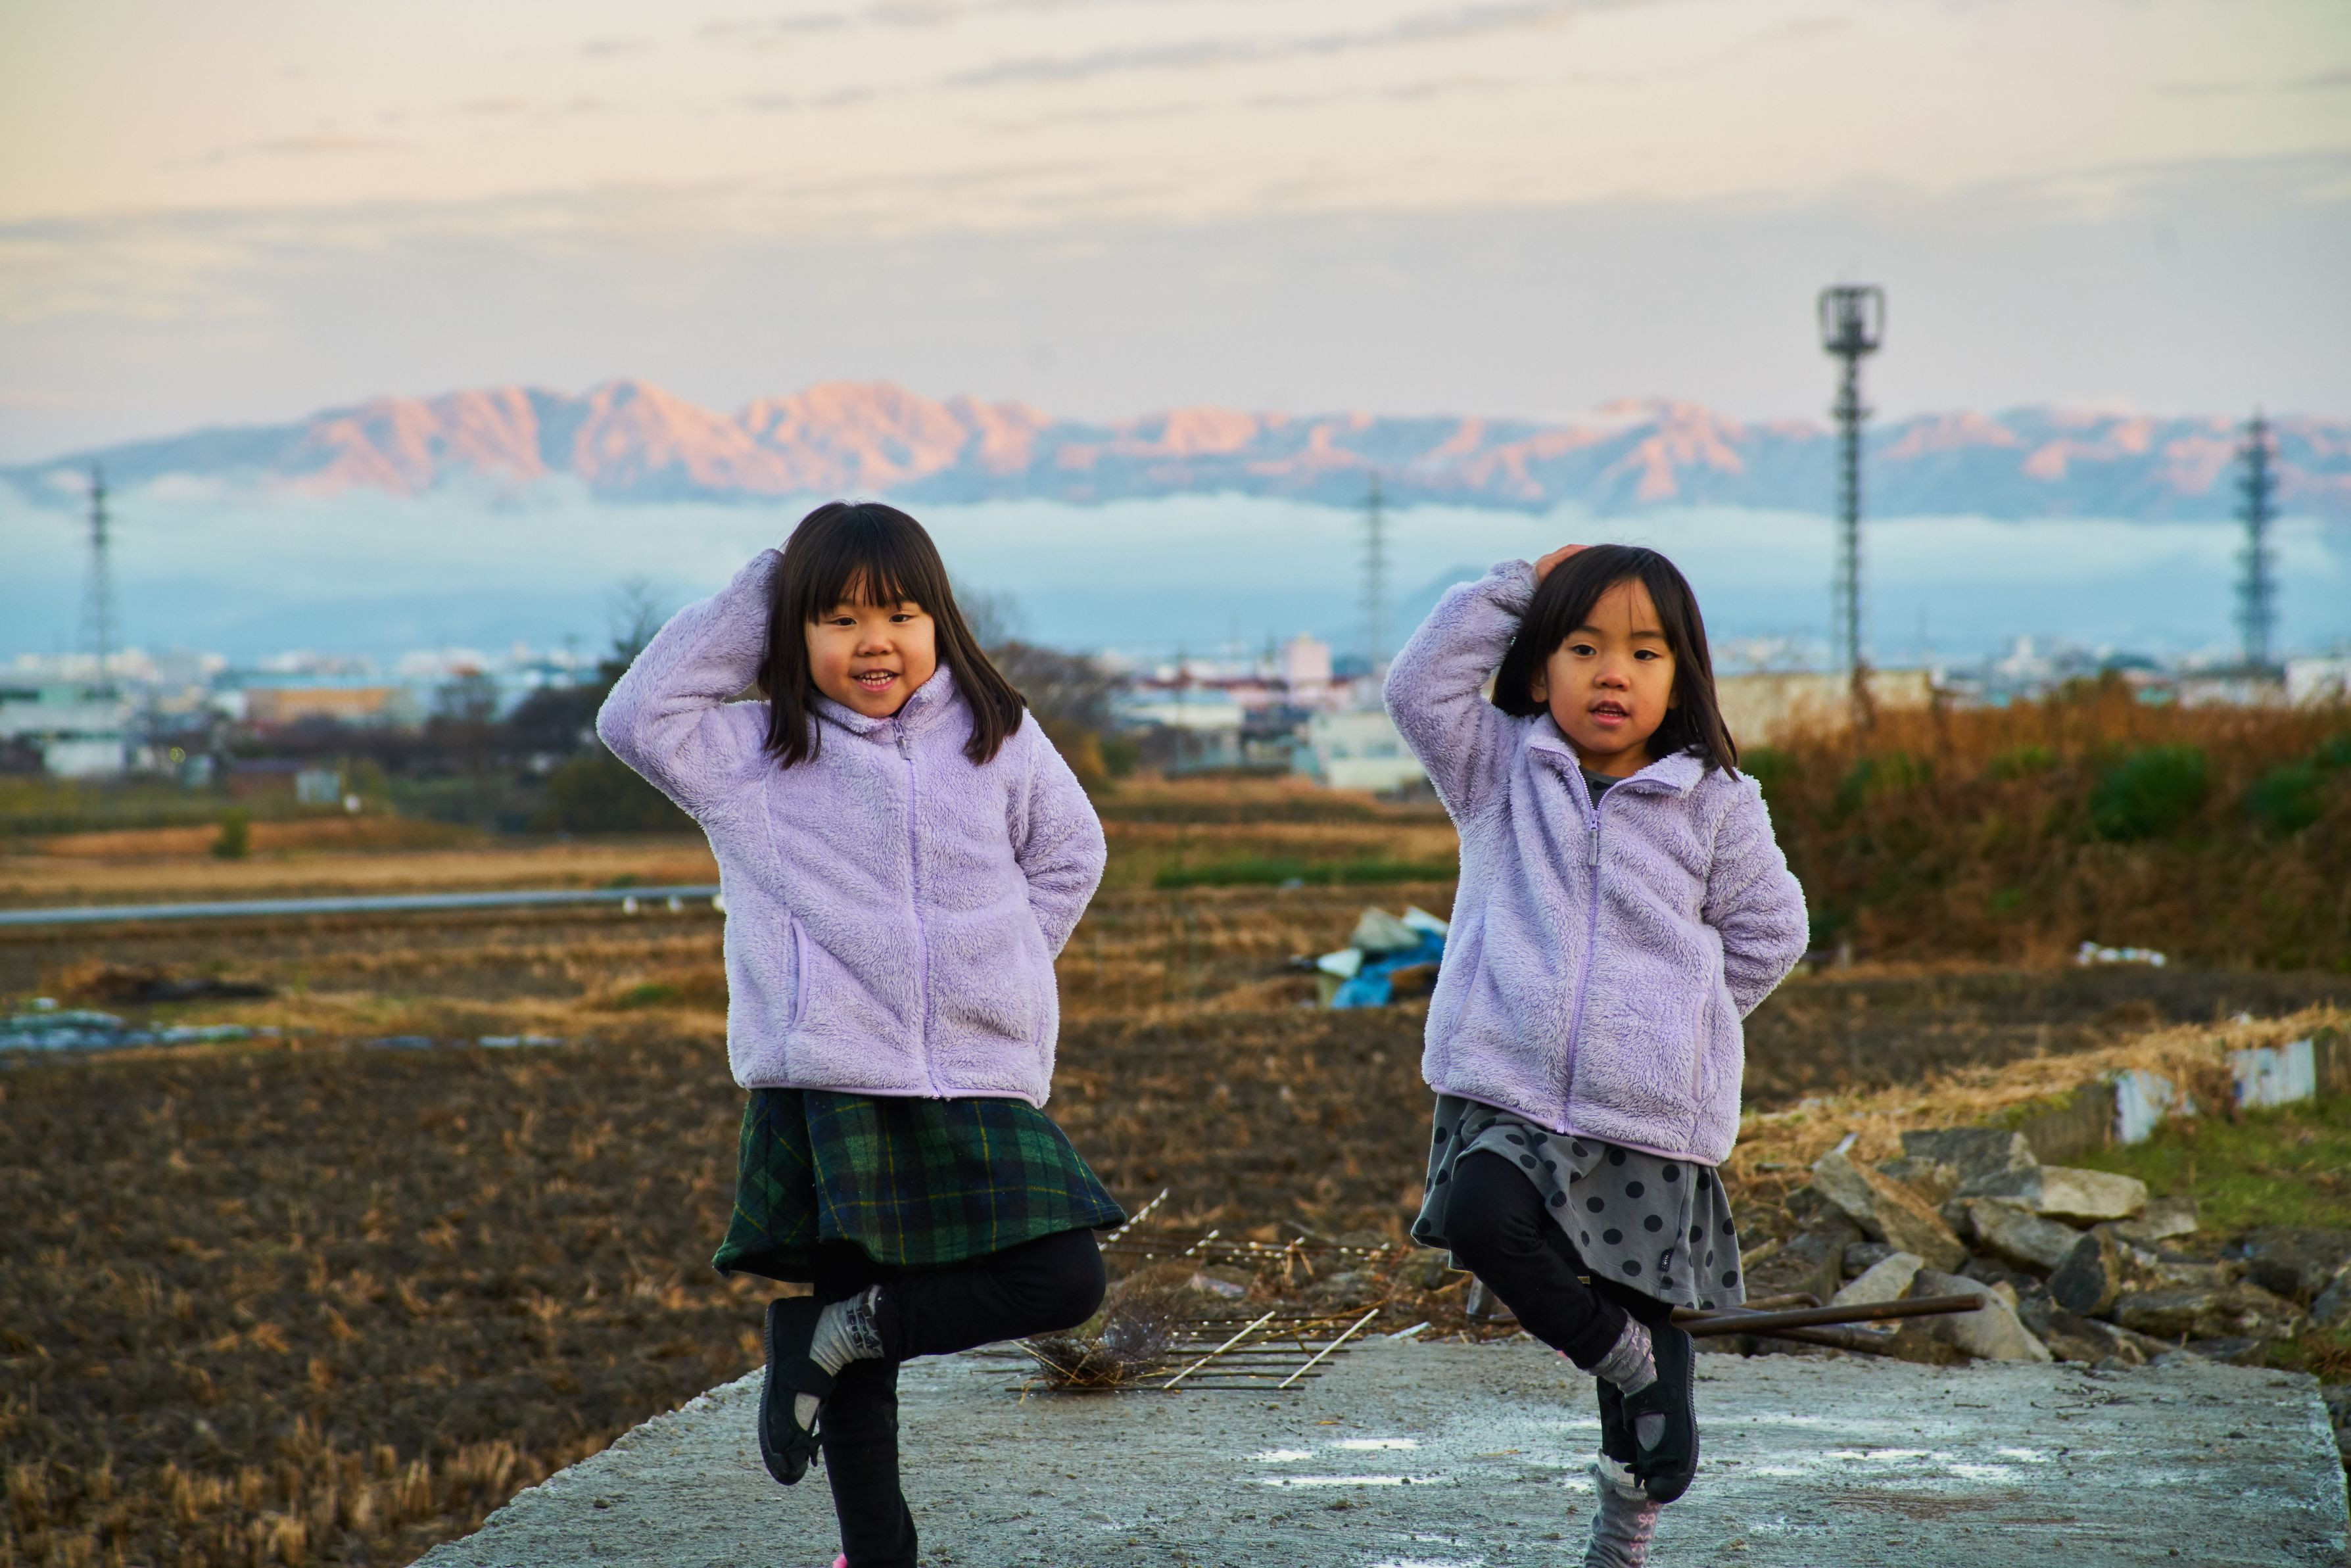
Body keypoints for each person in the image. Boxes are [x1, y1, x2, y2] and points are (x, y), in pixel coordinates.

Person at [598, 500, 1122, 1568]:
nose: (873, 641)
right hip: (833, 1073)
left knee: (1065, 1278)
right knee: (861, 1372)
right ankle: (877, 1556)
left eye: (899, 614)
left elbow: (1072, 853)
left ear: (941, 623)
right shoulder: (753, 751)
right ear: (792, 631)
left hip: (975, 1071)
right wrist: (772, 580)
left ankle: (824, 1335)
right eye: (837, 618)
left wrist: (1000, 973)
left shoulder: (997, 730)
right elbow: (636, 716)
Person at [1384, 544, 1807, 1568]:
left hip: (1645, 1118)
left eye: (1645, 653)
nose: (1614, 672)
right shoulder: (1500, 769)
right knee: (1485, 1220)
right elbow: (1417, 687)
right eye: (1584, 647)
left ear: (1681, 678)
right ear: (1538, 671)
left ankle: (1623, 1540)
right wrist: (1520, 583)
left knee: (1645, 1422)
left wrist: (1680, 1025)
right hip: (1511, 1092)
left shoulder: (1715, 801)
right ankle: (1630, 1357)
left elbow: (1772, 933)